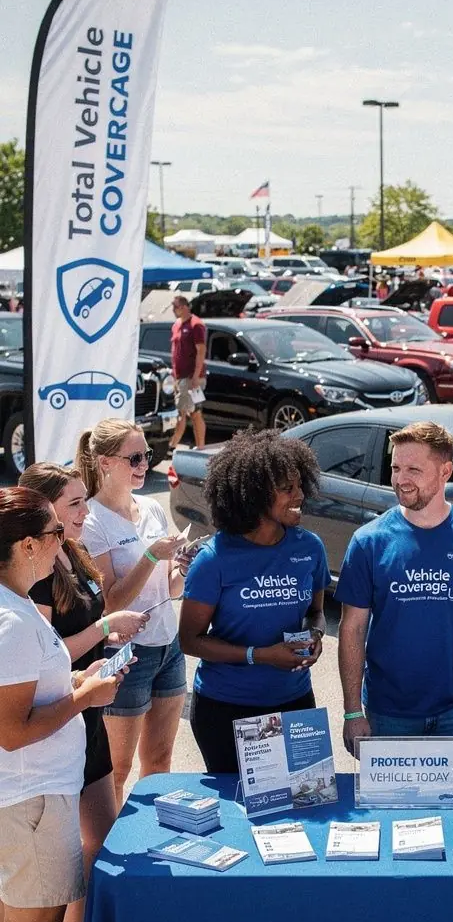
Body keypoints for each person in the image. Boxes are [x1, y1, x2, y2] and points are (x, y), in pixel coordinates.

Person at [0, 486, 125, 922]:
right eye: (54, 533)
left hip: (33, 799)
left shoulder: (17, 611)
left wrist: (73, 684)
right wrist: (85, 697)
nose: (64, 542)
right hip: (31, 802)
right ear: (26, 545)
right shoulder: (15, 621)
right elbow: (12, 730)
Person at [19, 463, 148, 922]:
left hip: (85, 709)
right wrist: (103, 629)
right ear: (44, 511)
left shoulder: (72, 552)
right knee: (53, 858)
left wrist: (105, 647)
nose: (85, 511)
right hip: (58, 721)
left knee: (101, 838)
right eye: (73, 504)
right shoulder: (36, 575)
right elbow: (45, 658)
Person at [336, 420, 453, 771]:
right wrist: (353, 710)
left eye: (414, 469)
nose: (402, 479)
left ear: (445, 471)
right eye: (396, 468)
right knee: (389, 817)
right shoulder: (369, 541)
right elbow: (351, 629)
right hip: (388, 715)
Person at [179, 430, 329, 774]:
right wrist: (259, 656)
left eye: (300, 485)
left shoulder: (309, 548)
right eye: (287, 489)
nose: (300, 495)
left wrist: (315, 637)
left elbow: (317, 613)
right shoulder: (215, 559)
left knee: (304, 801)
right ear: (254, 495)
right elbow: (189, 640)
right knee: (238, 815)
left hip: (294, 701)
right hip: (226, 708)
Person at [76, 420, 187, 809]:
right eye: (135, 458)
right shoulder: (91, 521)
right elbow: (110, 602)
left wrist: (183, 568)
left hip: (168, 647)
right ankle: (110, 857)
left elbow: (169, 588)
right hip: (127, 656)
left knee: (159, 760)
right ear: (105, 463)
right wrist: (153, 554)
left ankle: (151, 850)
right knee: (117, 771)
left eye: (147, 456)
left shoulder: (152, 508)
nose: (144, 465)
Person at [168, 295, 206, 450]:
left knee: (185, 411)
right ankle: (199, 447)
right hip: (179, 376)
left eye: (175, 307)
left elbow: (201, 351)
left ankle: (172, 446)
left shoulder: (196, 325)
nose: (173, 310)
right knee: (192, 412)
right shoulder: (176, 325)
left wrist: (196, 375)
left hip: (191, 377)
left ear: (184, 307)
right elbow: (175, 350)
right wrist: (173, 372)